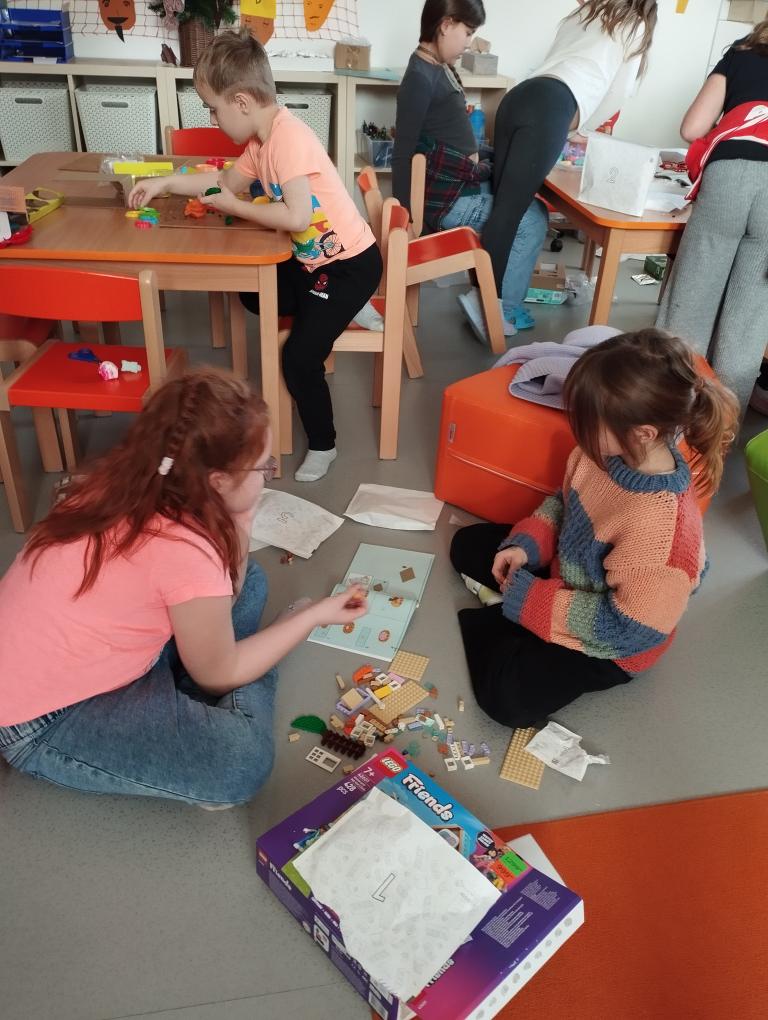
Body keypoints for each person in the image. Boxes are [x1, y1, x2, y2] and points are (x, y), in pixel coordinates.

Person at [0, 369, 367, 807]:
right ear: (217, 482)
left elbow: (225, 587)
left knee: (249, 579)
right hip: (44, 717)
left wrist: (241, 514)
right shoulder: (185, 548)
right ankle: (249, 661)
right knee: (241, 762)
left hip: (95, 653)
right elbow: (216, 672)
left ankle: (217, 671)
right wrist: (309, 618)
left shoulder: (127, 482)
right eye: (263, 467)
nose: (269, 475)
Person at [450, 329, 738, 728]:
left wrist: (532, 601)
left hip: (613, 640)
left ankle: (514, 619)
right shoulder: (602, 451)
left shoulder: (663, 530)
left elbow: (627, 628)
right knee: (467, 544)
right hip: (571, 577)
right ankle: (518, 616)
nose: (576, 427)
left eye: (587, 419)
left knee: (507, 699)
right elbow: (564, 504)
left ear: (642, 432)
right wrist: (526, 546)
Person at [129, 31, 382, 483]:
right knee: (253, 292)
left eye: (213, 108)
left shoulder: (288, 140)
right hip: (314, 261)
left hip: (348, 266)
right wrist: (164, 183)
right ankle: (340, 308)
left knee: (299, 359)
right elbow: (222, 183)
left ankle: (324, 444)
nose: (212, 118)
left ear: (241, 102)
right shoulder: (260, 144)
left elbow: (296, 214)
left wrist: (235, 207)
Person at [392, 0, 549, 341]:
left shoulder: (439, 68)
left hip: (461, 185)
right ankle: (498, 309)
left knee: (523, 202)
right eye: (467, 32)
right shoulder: (420, 78)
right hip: (450, 200)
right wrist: (406, 220)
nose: (469, 42)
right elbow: (402, 153)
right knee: (532, 219)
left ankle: (488, 296)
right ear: (446, 24)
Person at [480, 0, 658, 299]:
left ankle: (481, 301)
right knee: (508, 216)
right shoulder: (635, 23)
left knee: (501, 209)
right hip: (550, 107)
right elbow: (619, 92)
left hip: (518, 98)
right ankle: (490, 309)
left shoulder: (587, 12)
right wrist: (579, 130)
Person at [657, 21, 768, 417]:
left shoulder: (743, 53)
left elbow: (692, 128)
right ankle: (720, 430)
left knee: (691, 302)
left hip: (731, 174)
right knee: (749, 318)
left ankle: (670, 418)